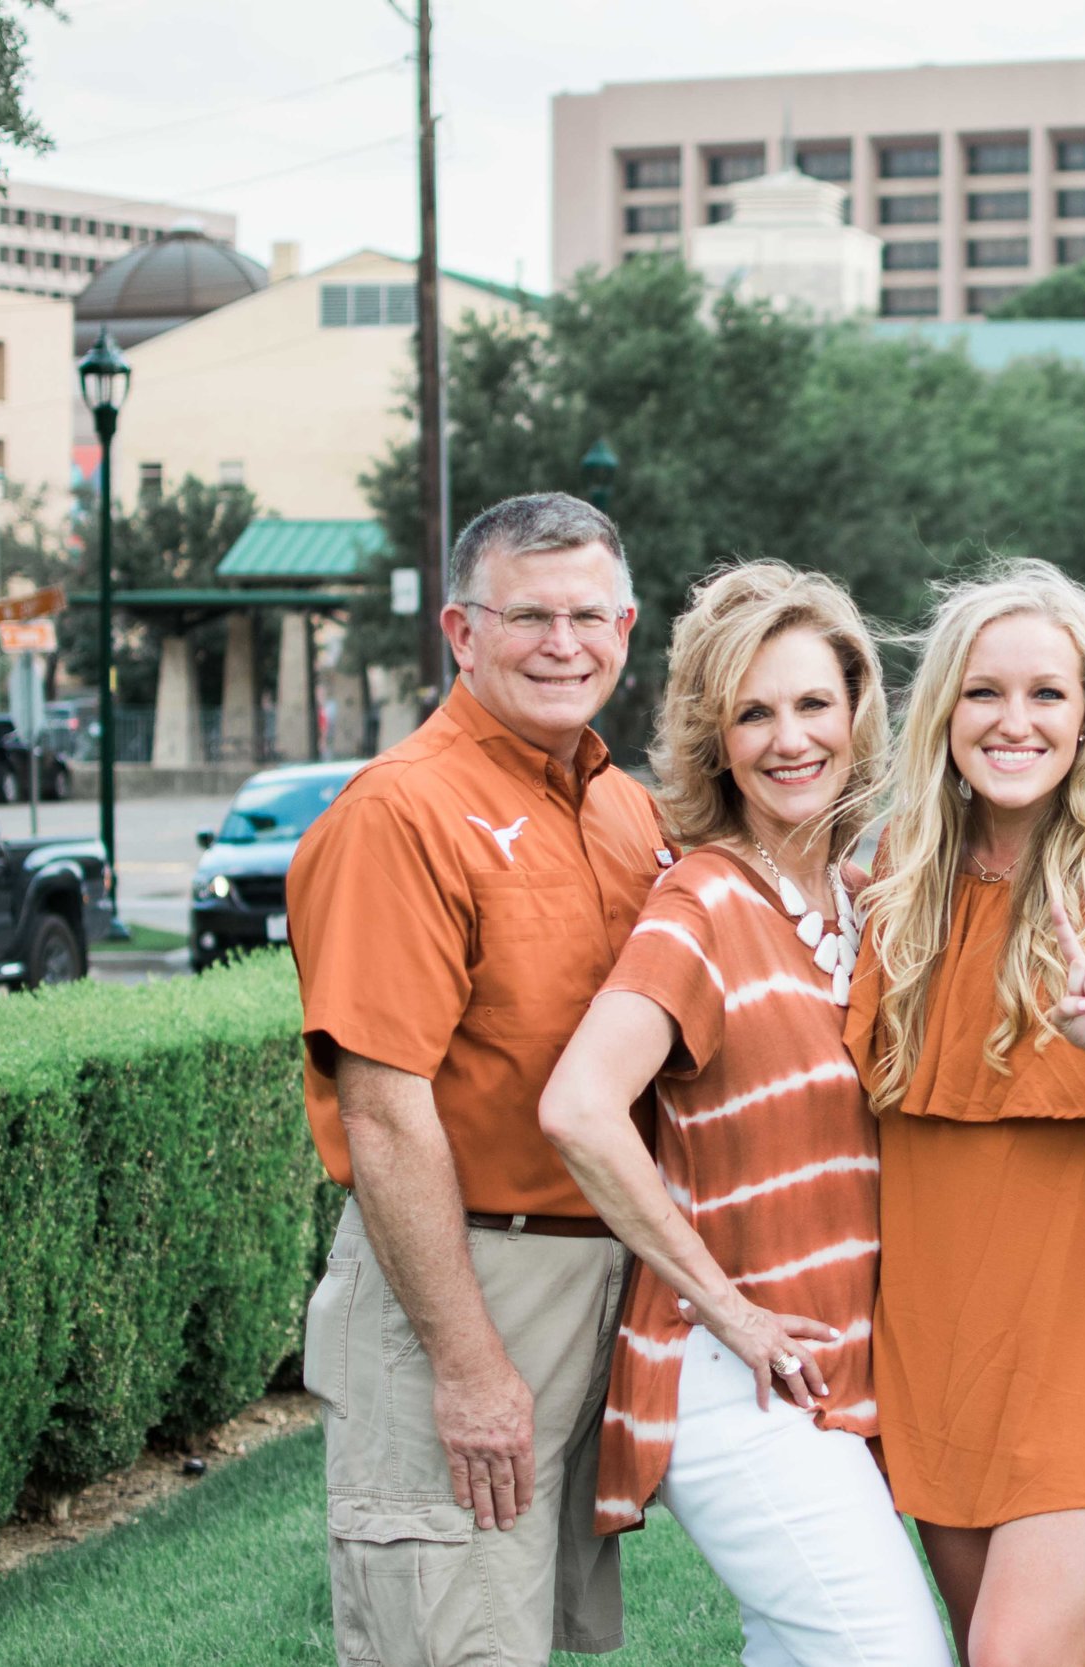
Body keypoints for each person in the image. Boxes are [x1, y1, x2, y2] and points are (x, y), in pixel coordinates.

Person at [536, 563, 951, 1666]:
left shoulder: (862, 901)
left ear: (858, 715)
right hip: (734, 1380)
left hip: (831, 1374)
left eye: (813, 703)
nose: (788, 738)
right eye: (752, 713)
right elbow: (579, 1106)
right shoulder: (705, 898)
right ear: (716, 742)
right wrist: (729, 1309)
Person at [289, 493, 666, 1665]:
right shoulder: (402, 811)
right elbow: (384, 1108)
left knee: (533, 1631)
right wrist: (465, 1360)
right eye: (529, 616)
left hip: (596, 1277)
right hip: (463, 1279)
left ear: (627, 623)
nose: (565, 643)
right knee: (449, 1642)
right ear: (460, 629)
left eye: (589, 615)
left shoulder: (622, 805)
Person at [846, 558, 1085, 1667]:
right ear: (943, 713)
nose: (1012, 721)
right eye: (983, 692)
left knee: (1015, 1653)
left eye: (1046, 694)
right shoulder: (899, 881)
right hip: (936, 1343)